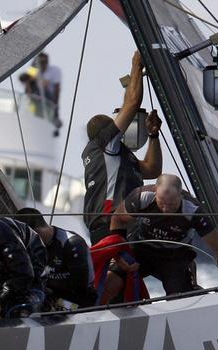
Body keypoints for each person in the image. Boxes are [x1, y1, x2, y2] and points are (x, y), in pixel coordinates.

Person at [102, 174, 218, 299]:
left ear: (181, 195)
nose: (166, 209)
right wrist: (119, 256)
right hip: (141, 249)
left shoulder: (193, 210)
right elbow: (118, 219)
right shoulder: (142, 196)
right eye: (161, 203)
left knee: (181, 298)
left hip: (174, 257)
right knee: (109, 282)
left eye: (172, 204)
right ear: (155, 191)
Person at [82, 51, 162, 244]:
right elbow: (132, 103)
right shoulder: (103, 145)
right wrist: (136, 66)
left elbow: (152, 170)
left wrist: (153, 135)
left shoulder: (116, 156)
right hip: (110, 225)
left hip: (123, 224)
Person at [17, 207, 97, 309]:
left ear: (35, 232)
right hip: (50, 297)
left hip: (79, 303)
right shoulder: (34, 246)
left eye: (26, 239)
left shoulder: (71, 243)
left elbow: (81, 289)